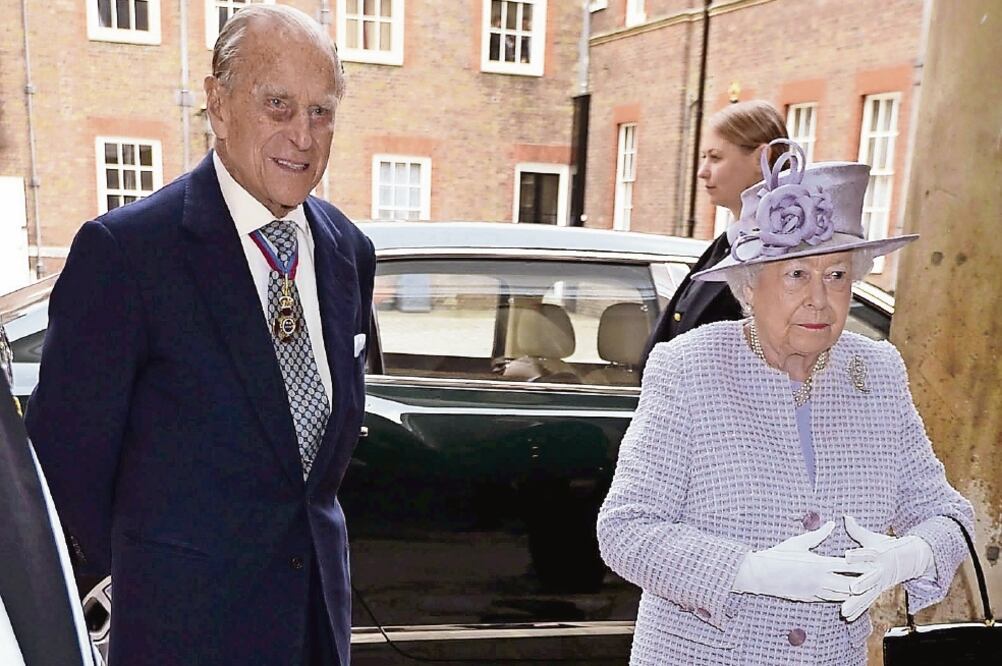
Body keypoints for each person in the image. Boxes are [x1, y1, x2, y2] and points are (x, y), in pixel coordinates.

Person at [25, 5, 375, 665]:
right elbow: (64, 465)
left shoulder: (346, 252)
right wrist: (147, 586)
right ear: (217, 103)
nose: (303, 136)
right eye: (278, 105)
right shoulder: (127, 255)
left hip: (316, 632)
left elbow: (315, 472)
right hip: (181, 639)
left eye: (321, 111)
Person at [597, 139, 974, 665]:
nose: (820, 298)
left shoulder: (877, 372)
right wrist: (749, 571)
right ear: (749, 287)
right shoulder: (689, 368)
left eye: (837, 275)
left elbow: (948, 514)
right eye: (797, 274)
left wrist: (912, 555)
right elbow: (626, 529)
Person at [640, 100, 788, 371]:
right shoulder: (731, 242)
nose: (702, 171)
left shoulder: (777, 252)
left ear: (761, 158)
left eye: (716, 157)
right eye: (703, 158)